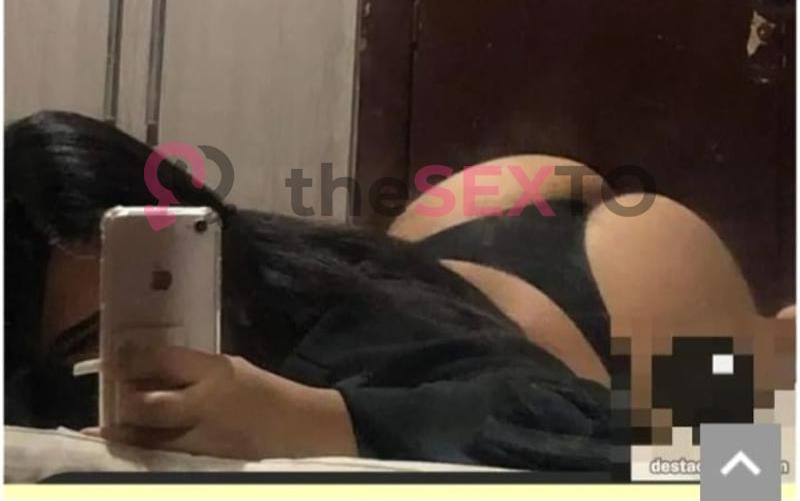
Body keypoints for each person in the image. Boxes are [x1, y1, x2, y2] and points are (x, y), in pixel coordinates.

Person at [4, 111, 793, 471]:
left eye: (108, 333)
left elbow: (572, 413)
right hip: (451, 244)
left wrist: (313, 419)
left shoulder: (299, 321)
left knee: (732, 435)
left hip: (616, 289)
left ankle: (778, 341)